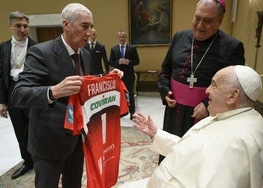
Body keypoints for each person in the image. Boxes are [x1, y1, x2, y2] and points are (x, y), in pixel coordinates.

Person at [11, 3, 123, 188]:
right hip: (49, 141)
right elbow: (18, 94)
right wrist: (52, 92)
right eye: (85, 26)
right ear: (66, 24)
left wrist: (108, 78)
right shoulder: (41, 52)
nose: (90, 32)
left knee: (74, 184)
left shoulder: (85, 54)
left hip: (77, 137)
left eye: (91, 27)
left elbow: (83, 82)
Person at [122, 65, 263, 188]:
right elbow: (191, 151)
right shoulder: (230, 116)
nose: (207, 91)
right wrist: (156, 133)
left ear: (232, 96)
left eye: (214, 85)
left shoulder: (236, 143)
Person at [157, 0, 245, 162]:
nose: (200, 25)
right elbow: (165, 71)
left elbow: (235, 87)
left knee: (196, 160)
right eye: (197, 18)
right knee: (169, 153)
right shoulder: (179, 37)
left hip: (205, 115)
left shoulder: (232, 47)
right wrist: (165, 90)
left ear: (220, 21)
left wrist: (206, 104)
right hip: (174, 109)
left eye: (207, 21)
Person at [0, 11, 36, 179]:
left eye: (25, 26)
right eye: (18, 26)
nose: (22, 29)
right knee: (20, 132)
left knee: (35, 130)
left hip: (31, 91)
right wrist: (2, 102)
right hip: (12, 91)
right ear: (10, 27)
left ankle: (40, 161)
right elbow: (0, 76)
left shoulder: (36, 46)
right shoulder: (4, 47)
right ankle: (27, 162)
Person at [109, 30, 140, 119]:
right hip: (118, 77)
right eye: (120, 37)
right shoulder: (113, 49)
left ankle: (132, 113)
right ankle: (119, 113)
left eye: (123, 37)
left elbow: (137, 61)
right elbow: (110, 62)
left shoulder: (132, 48)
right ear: (118, 38)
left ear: (126, 37)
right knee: (117, 95)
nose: (122, 38)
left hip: (129, 75)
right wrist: (118, 62)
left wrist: (128, 62)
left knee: (130, 94)